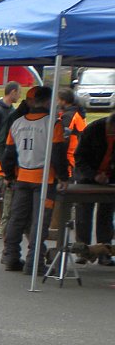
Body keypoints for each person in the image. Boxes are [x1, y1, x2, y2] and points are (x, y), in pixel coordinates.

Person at [0, 85, 68, 274]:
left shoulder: (17, 123)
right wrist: (63, 176)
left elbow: (8, 154)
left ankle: (11, 256)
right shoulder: (53, 124)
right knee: (40, 222)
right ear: (48, 101)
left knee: (16, 219)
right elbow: (58, 153)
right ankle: (34, 263)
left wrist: (9, 175)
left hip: (22, 176)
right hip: (44, 178)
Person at [71, 113, 114, 266]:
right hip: (87, 176)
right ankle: (83, 251)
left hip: (110, 179)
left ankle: (104, 252)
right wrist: (93, 175)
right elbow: (79, 157)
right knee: (83, 213)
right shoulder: (93, 130)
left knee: (106, 215)